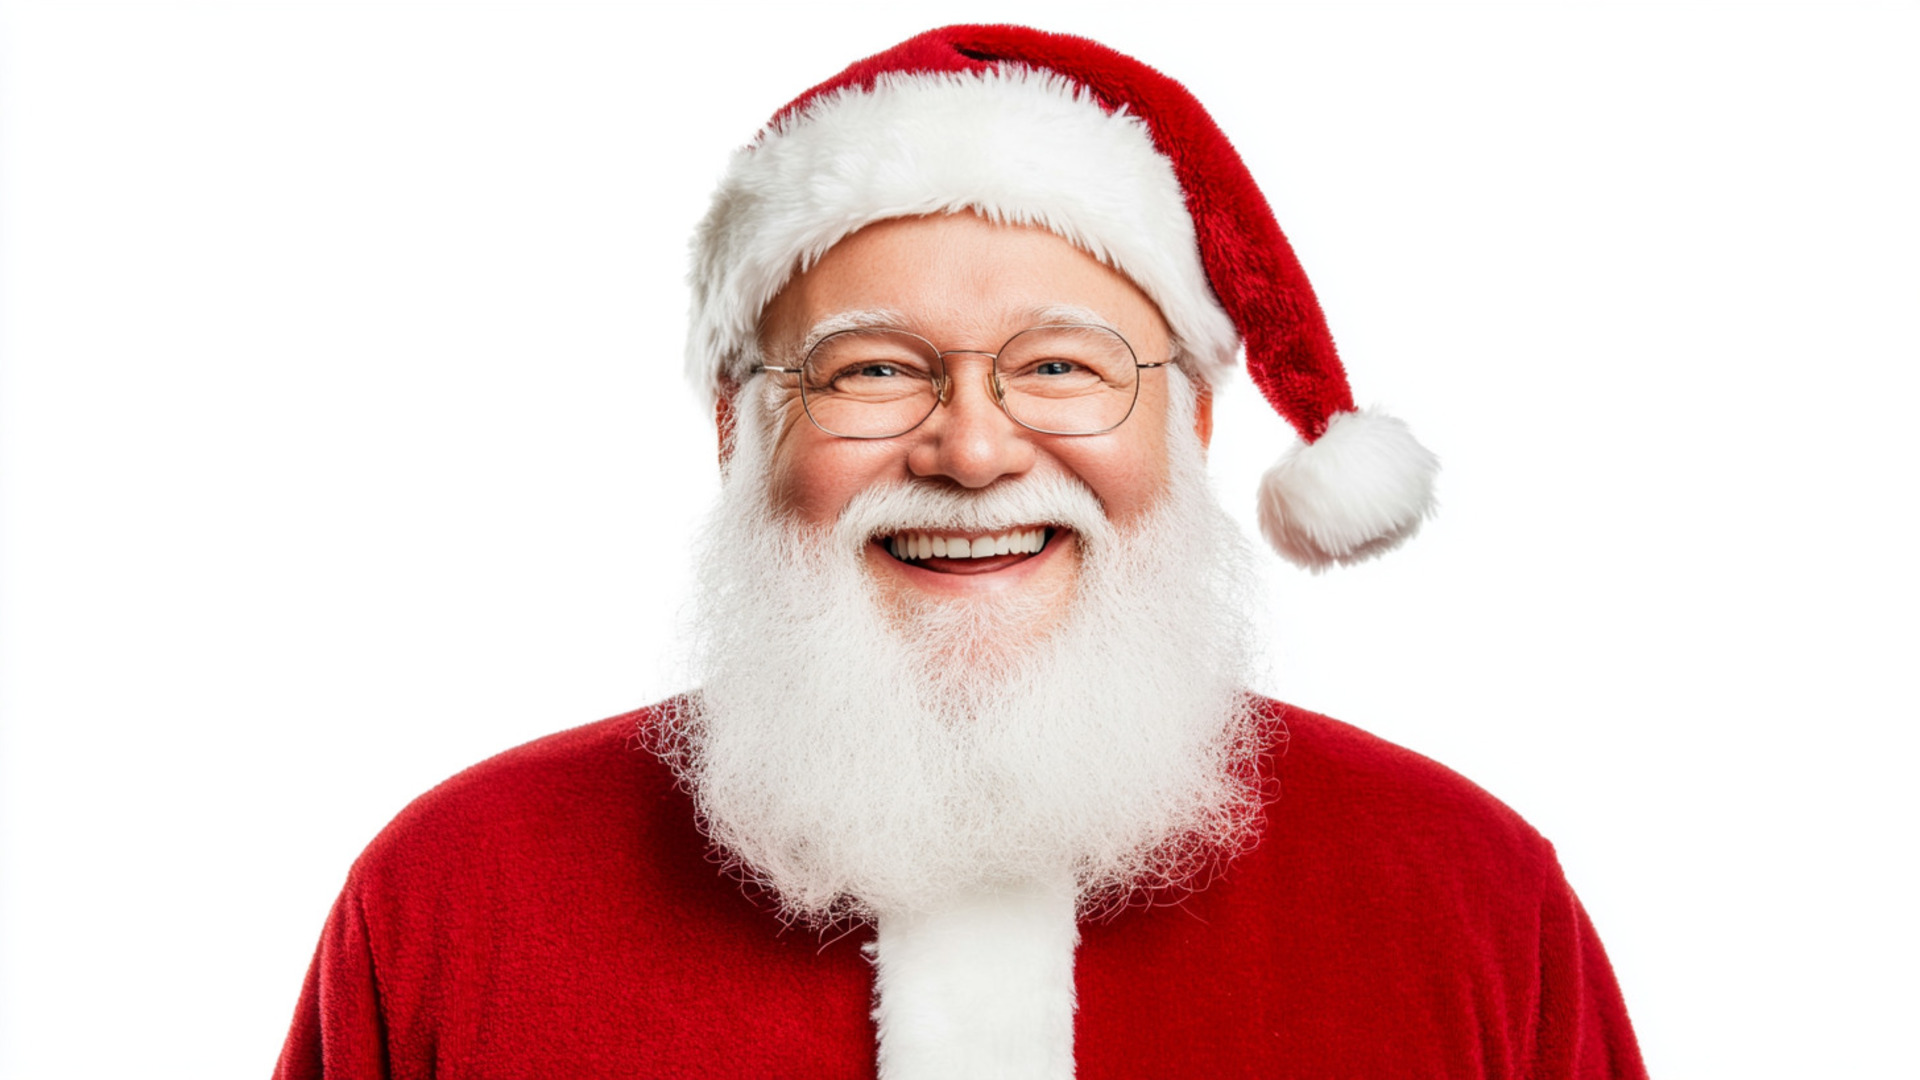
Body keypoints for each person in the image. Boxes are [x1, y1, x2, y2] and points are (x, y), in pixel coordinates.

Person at [275, 25, 1644, 1079]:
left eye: (1063, 364)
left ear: (1193, 421)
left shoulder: (1463, 890)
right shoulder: (458, 893)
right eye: (873, 371)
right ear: (738, 429)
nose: (975, 451)